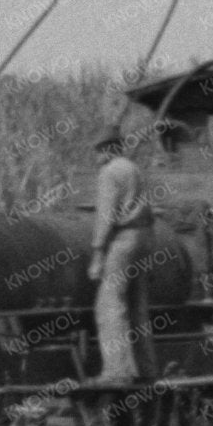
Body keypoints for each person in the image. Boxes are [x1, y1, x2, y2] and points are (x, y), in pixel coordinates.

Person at [88, 123, 156, 385]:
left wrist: (97, 253)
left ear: (107, 150)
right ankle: (146, 369)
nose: (96, 157)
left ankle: (116, 371)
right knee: (138, 306)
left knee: (109, 305)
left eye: (97, 151)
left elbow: (106, 215)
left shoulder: (109, 172)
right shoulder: (134, 168)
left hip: (123, 240)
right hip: (145, 236)